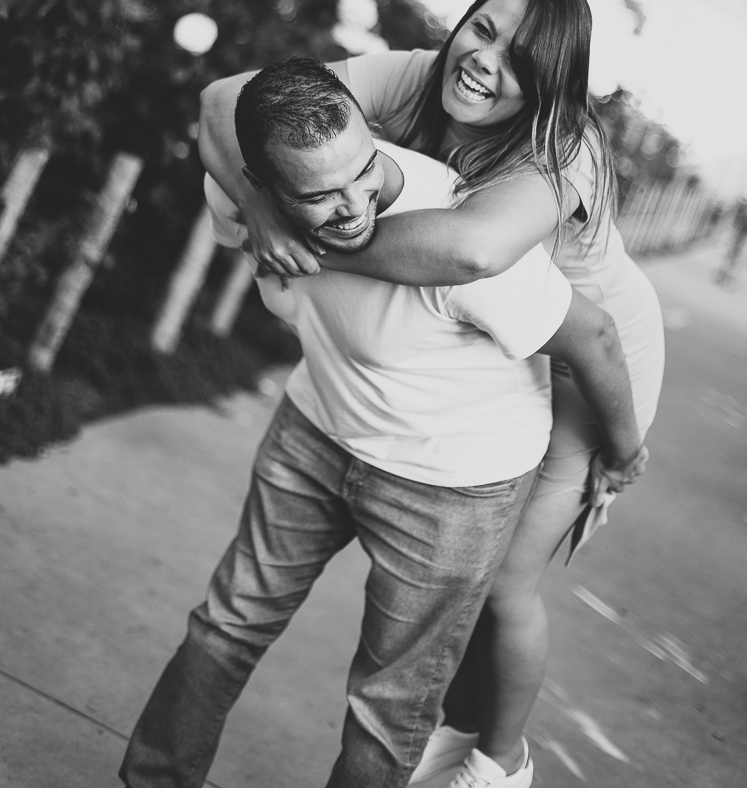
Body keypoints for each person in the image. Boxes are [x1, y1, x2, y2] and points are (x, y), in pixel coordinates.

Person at [120, 56, 646, 788]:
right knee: (227, 621)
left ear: (370, 135)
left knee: (387, 703)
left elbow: (593, 337)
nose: (353, 205)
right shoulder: (248, 197)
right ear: (264, 187)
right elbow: (215, 116)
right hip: (317, 428)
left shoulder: (452, 230)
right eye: (318, 196)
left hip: (451, 483)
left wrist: (623, 453)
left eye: (361, 169)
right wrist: (258, 208)